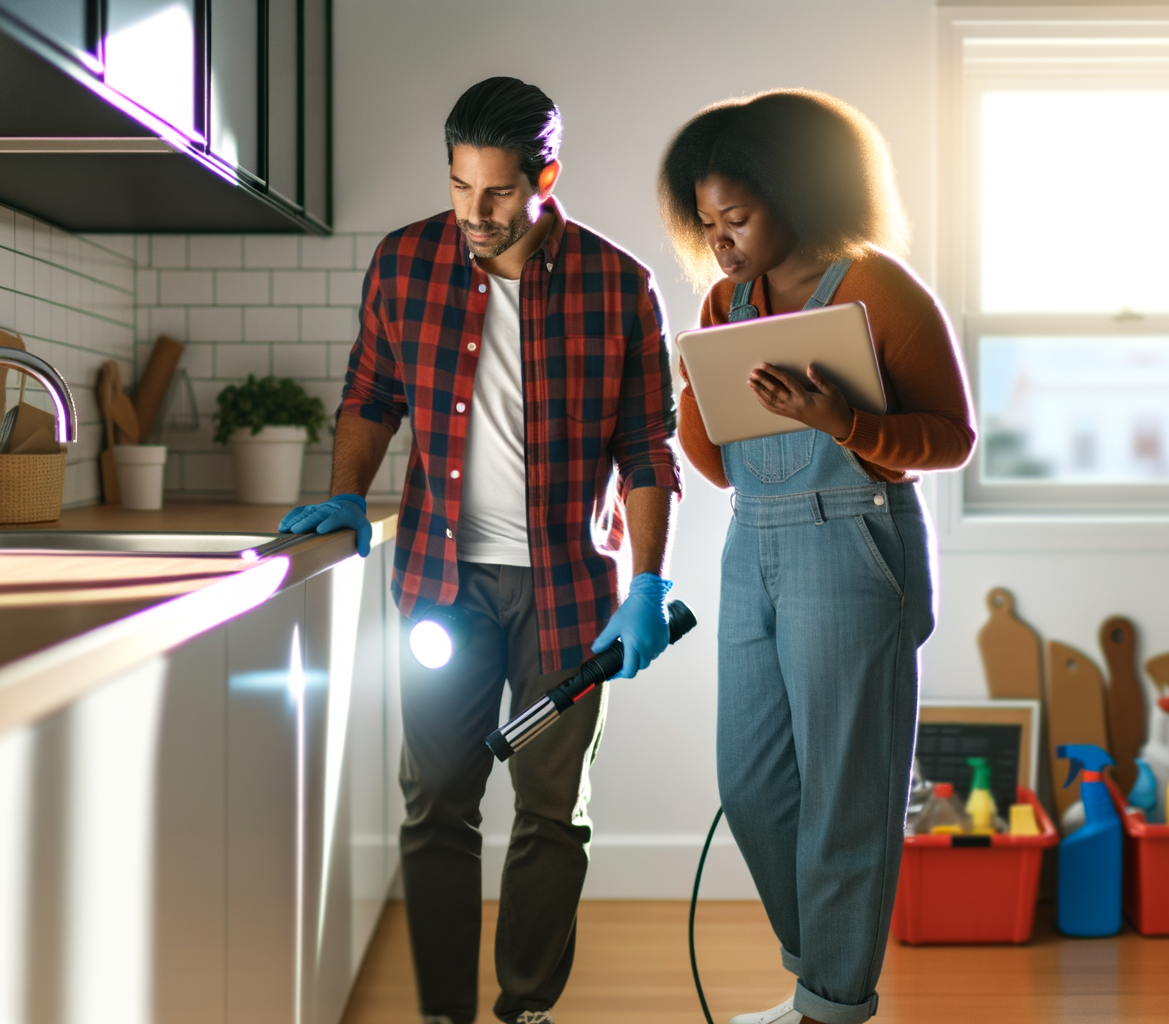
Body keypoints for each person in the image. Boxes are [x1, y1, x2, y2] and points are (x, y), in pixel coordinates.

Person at [279, 77, 681, 1024]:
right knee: (438, 806)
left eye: (496, 192)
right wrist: (344, 486)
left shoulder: (619, 285)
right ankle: (444, 1012)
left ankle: (526, 1009)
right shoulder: (406, 262)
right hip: (439, 585)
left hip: (573, 597)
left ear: (546, 177)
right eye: (460, 187)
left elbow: (647, 447)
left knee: (551, 813)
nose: (474, 212)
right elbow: (371, 395)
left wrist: (652, 580)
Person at [659, 90, 975, 1024]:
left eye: (738, 218)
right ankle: (820, 978)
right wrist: (695, 387)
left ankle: (830, 1006)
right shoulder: (730, 299)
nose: (719, 242)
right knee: (752, 785)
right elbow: (722, 468)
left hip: (855, 539)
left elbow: (951, 437)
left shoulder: (878, 289)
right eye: (707, 223)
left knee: (847, 793)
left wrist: (841, 419)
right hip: (752, 540)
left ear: (800, 193)